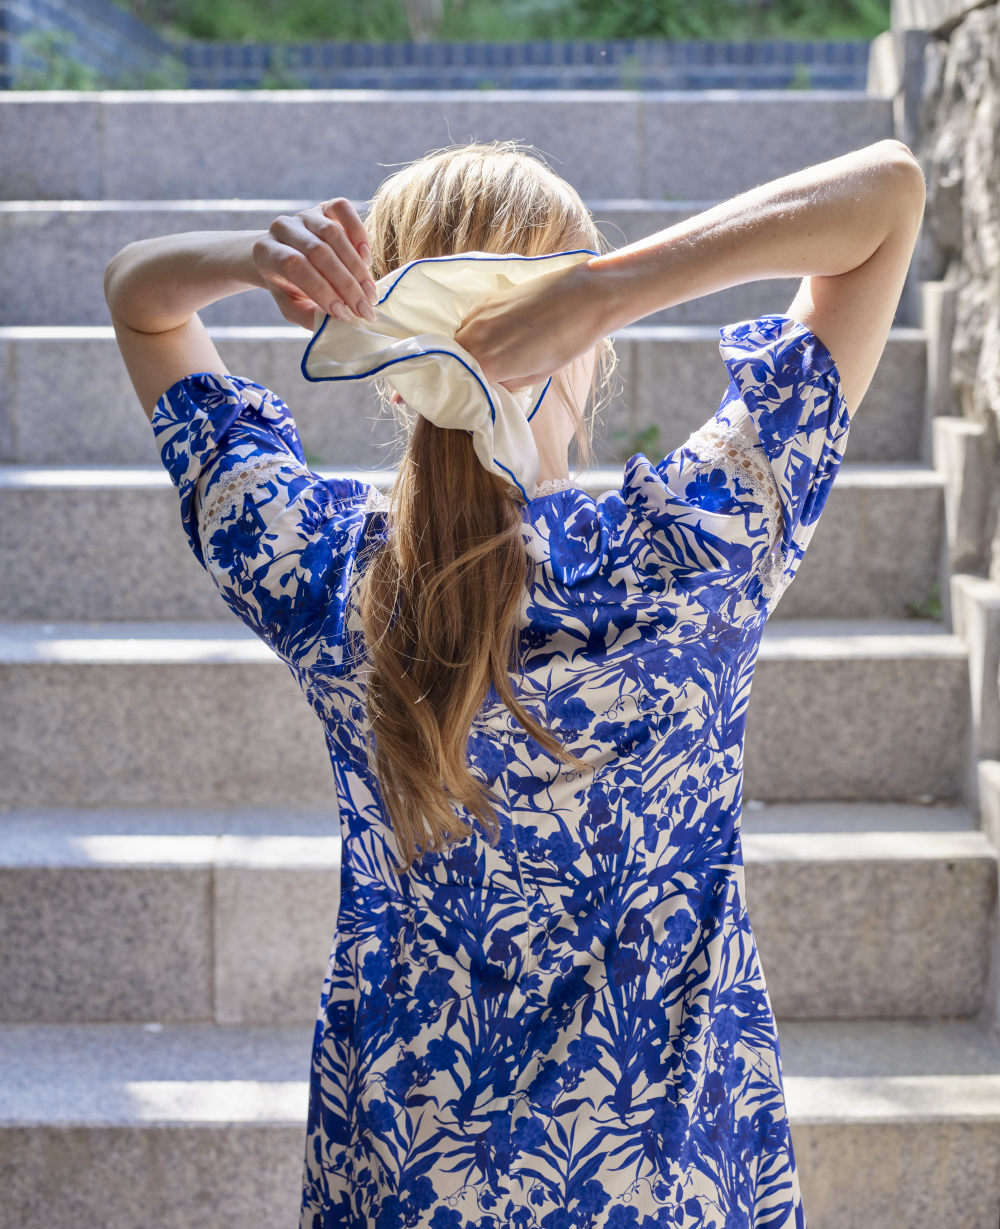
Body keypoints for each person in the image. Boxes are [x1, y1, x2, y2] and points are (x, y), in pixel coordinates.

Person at [105, 138, 925, 1229]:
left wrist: (257, 257)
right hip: (669, 1167)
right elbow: (886, 197)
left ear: (382, 363)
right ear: (584, 344)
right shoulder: (694, 549)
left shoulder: (315, 565)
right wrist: (614, 287)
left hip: (410, 1158)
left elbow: (142, 302)